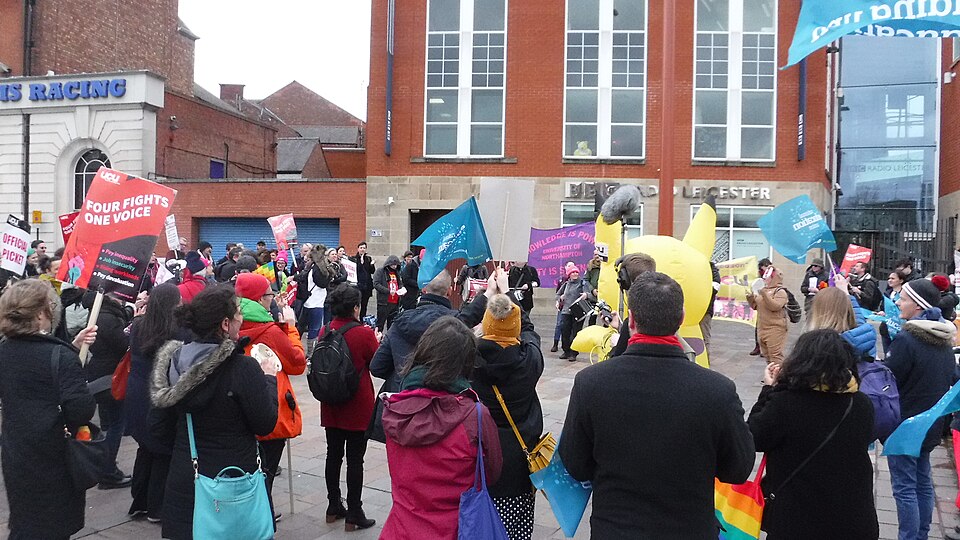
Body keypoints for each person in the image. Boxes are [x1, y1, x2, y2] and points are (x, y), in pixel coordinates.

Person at [558, 272, 754, 537]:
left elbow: (575, 463)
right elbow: (738, 469)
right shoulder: (717, 390)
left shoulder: (591, 383)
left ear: (631, 320)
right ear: (681, 318)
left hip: (616, 529)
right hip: (688, 530)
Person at [150, 285, 279, 540]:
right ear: (225, 324)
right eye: (238, 312)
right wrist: (269, 379)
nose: (242, 317)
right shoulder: (243, 368)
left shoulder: (173, 363)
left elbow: (157, 427)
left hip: (187, 477)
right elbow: (265, 423)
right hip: (234, 477)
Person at [748, 329, 879, 539]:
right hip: (853, 519)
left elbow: (754, 437)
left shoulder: (787, 402)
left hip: (798, 521)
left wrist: (769, 389)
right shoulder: (861, 403)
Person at [380, 316, 502, 539]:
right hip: (456, 530)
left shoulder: (394, 408)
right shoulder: (475, 415)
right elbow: (492, 472)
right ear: (466, 362)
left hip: (401, 529)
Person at [0, 280, 98, 540]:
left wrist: (73, 346)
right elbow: (81, 410)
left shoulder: (4, 349)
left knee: (25, 519)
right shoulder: (59, 356)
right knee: (53, 524)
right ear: (41, 314)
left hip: (16, 450)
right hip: (54, 454)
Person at [369, 270, 494, 442]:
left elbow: (377, 367)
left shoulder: (400, 322)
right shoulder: (455, 324)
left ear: (424, 289)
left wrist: (401, 372)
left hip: (402, 410)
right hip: (444, 412)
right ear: (449, 291)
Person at [885, 278, 956, 540]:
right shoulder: (943, 338)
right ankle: (921, 535)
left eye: (903, 299)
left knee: (904, 487)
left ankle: (909, 537)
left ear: (917, 306)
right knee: (923, 482)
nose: (897, 303)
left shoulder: (907, 339)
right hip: (930, 423)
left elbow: (890, 379)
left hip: (905, 424)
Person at [470, 294, 544, 539]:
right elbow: (531, 333)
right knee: (516, 527)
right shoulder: (530, 361)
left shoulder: (468, 361)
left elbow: (452, 329)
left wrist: (484, 298)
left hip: (481, 461)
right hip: (519, 460)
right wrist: (509, 293)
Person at [235, 273, 306, 525]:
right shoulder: (269, 330)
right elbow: (297, 363)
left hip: (240, 409)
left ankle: (253, 515)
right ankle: (263, 519)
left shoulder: (231, 322)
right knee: (266, 471)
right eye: (268, 295)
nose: (271, 299)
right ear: (258, 299)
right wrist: (291, 327)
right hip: (270, 407)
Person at [318, 284, 379, 531]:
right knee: (355, 460)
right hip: (357, 405)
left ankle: (333, 505)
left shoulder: (325, 330)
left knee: (333, 455)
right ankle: (355, 512)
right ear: (355, 308)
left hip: (331, 403)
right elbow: (377, 364)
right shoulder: (364, 334)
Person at [126, 283, 187, 522]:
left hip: (136, 394)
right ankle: (156, 507)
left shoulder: (139, 326)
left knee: (146, 447)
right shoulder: (177, 331)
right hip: (159, 397)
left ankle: (139, 501)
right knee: (163, 451)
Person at [82, 290, 134, 489]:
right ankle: (108, 470)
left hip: (102, 373)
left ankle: (106, 466)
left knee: (111, 423)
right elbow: (123, 344)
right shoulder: (107, 317)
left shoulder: (100, 314)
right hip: (110, 377)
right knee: (116, 425)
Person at [747, 266, 789, 364]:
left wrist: (764, 294)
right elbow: (756, 306)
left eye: (768, 277)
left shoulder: (780, 292)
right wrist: (750, 297)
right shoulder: (763, 290)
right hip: (762, 328)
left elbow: (775, 306)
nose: (765, 279)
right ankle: (771, 372)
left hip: (775, 328)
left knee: (775, 355)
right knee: (767, 355)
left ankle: (779, 373)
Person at [556, 267, 594, 361]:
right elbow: (558, 294)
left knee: (575, 332)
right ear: (569, 274)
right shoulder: (566, 284)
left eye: (576, 272)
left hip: (578, 311)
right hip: (566, 311)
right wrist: (560, 298)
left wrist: (586, 295)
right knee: (565, 331)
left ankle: (573, 353)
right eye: (573, 273)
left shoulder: (582, 283)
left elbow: (589, 294)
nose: (575, 274)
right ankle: (566, 351)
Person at [302, 245, 333, 356]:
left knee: (305, 327)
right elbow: (322, 284)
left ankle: (307, 351)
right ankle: (311, 353)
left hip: (310, 302)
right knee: (314, 329)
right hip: (315, 303)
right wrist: (329, 276)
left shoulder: (312, 267)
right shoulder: (318, 268)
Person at [550, 261, 577, 353]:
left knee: (571, 329)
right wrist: (558, 300)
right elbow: (558, 293)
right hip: (564, 307)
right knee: (560, 325)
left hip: (574, 309)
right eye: (569, 266)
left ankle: (570, 348)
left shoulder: (580, 282)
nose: (573, 272)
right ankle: (556, 344)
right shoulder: (563, 281)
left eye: (573, 267)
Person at [372, 254, 403, 332]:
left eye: (396, 265)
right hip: (384, 302)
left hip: (395, 302)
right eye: (393, 265)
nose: (394, 267)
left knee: (392, 324)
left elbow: (400, 283)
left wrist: (401, 290)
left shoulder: (397, 273)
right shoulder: (380, 271)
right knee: (380, 324)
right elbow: (376, 284)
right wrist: (388, 291)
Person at [749, 258, 773, 355]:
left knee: (768, 328)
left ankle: (766, 348)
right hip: (760, 303)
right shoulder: (760, 278)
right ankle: (758, 346)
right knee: (758, 326)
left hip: (769, 303)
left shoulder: (774, 275)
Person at [350, 242, 376, 320]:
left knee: (364, 305)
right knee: (356, 304)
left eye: (364, 248)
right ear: (358, 249)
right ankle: (354, 319)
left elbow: (372, 271)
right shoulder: (354, 259)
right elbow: (354, 271)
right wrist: (361, 263)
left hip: (367, 286)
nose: (362, 249)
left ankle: (362, 320)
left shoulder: (368, 259)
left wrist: (372, 265)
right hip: (357, 285)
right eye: (361, 248)